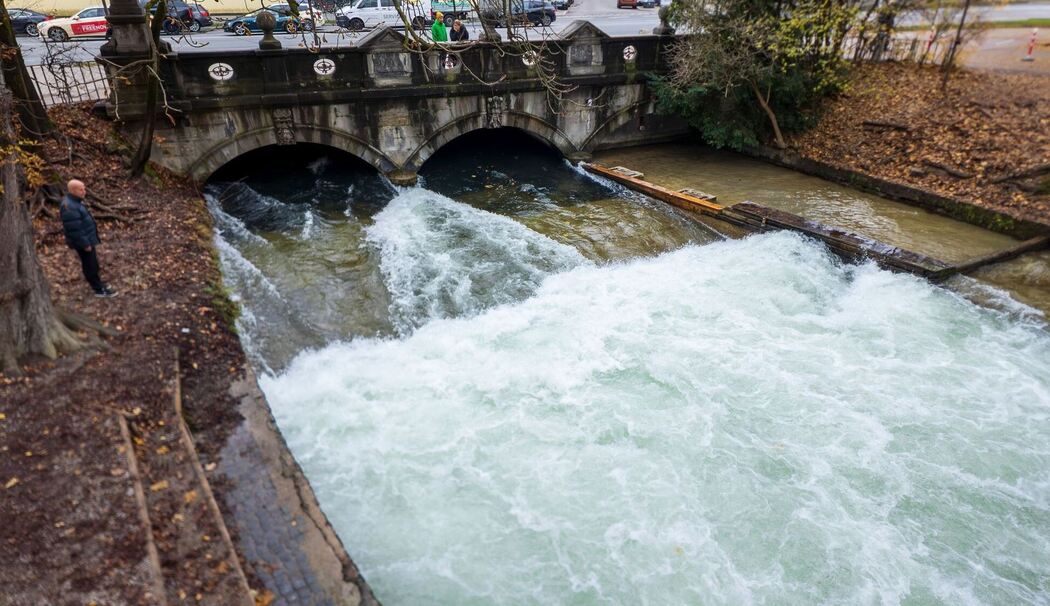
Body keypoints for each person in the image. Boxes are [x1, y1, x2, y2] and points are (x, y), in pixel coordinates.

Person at [60, 179, 117, 297]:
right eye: (81, 189)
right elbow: (74, 229)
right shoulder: (68, 206)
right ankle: (98, 289)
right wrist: (85, 244)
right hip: (83, 242)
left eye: (84, 188)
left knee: (93, 263)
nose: (84, 191)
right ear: (73, 191)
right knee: (89, 265)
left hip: (88, 239)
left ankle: (98, 284)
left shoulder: (75, 201)